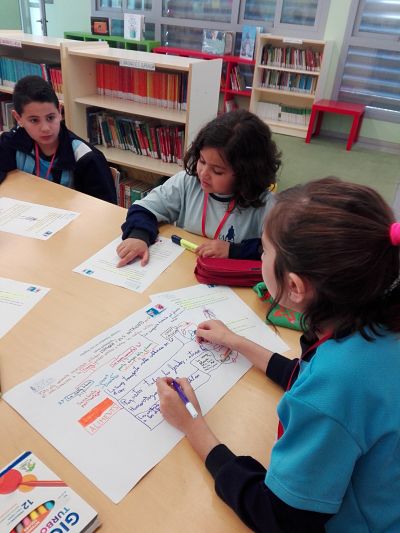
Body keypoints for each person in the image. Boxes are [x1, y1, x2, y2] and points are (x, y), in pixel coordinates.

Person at [157, 177, 400, 532]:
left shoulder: (334, 386)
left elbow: (279, 517)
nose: (260, 257)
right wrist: (238, 342)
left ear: (296, 286)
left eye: (265, 252)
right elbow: (312, 377)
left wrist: (193, 425)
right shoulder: (377, 320)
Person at [117, 109, 281, 267]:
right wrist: (139, 235)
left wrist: (234, 250)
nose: (203, 173)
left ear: (246, 174)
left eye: (217, 171)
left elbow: (280, 253)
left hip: (229, 279)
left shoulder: (266, 206)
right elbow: (144, 209)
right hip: (184, 269)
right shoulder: (187, 182)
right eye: (202, 161)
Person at [0, 75, 117, 203]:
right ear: (18, 118)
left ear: (60, 112)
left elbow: (105, 208)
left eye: (50, 118)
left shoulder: (87, 158)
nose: (45, 128)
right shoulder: (12, 142)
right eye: (34, 120)